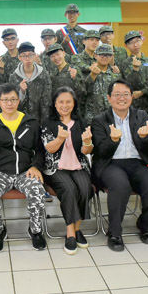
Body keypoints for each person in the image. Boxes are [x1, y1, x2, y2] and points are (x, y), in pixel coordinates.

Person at [91, 79, 148, 251]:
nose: (121, 98)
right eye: (117, 94)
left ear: (132, 97)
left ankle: (145, 225)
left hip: (137, 162)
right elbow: (100, 151)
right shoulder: (99, 120)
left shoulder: (141, 116)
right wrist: (113, 140)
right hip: (111, 164)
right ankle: (114, 232)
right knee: (120, 185)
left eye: (125, 94)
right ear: (109, 98)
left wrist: (146, 138)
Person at [0, 83, 47, 252]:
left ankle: (36, 230)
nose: (9, 103)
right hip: (0, 171)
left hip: (25, 171)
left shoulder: (30, 122)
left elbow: (40, 149)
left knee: (37, 191)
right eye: (5, 100)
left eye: (13, 99)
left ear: (19, 100)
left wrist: (36, 166)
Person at [41, 87, 94, 255]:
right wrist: (60, 139)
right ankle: (70, 232)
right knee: (69, 189)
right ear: (55, 105)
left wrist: (87, 143)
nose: (65, 105)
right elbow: (49, 149)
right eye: (61, 102)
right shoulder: (48, 123)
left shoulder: (82, 123)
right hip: (56, 168)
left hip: (78, 165)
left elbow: (87, 151)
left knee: (85, 187)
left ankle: (78, 230)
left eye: (68, 102)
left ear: (74, 103)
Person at [9, 42, 52, 126]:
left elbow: (47, 102)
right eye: (24, 56)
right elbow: (12, 103)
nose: (27, 58)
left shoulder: (43, 74)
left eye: (30, 55)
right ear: (19, 57)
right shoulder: (13, 77)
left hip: (39, 120)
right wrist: (21, 92)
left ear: (35, 56)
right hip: (20, 121)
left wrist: (45, 124)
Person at [118, 31, 148, 112]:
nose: (135, 45)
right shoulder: (123, 64)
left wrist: (142, 92)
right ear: (126, 46)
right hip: (132, 106)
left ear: (142, 41)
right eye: (131, 43)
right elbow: (125, 84)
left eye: (137, 41)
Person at [84, 44, 122, 124]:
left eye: (108, 55)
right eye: (101, 54)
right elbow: (83, 91)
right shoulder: (86, 72)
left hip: (112, 118)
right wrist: (92, 75)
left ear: (112, 56)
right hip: (92, 118)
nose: (104, 57)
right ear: (95, 55)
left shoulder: (116, 75)